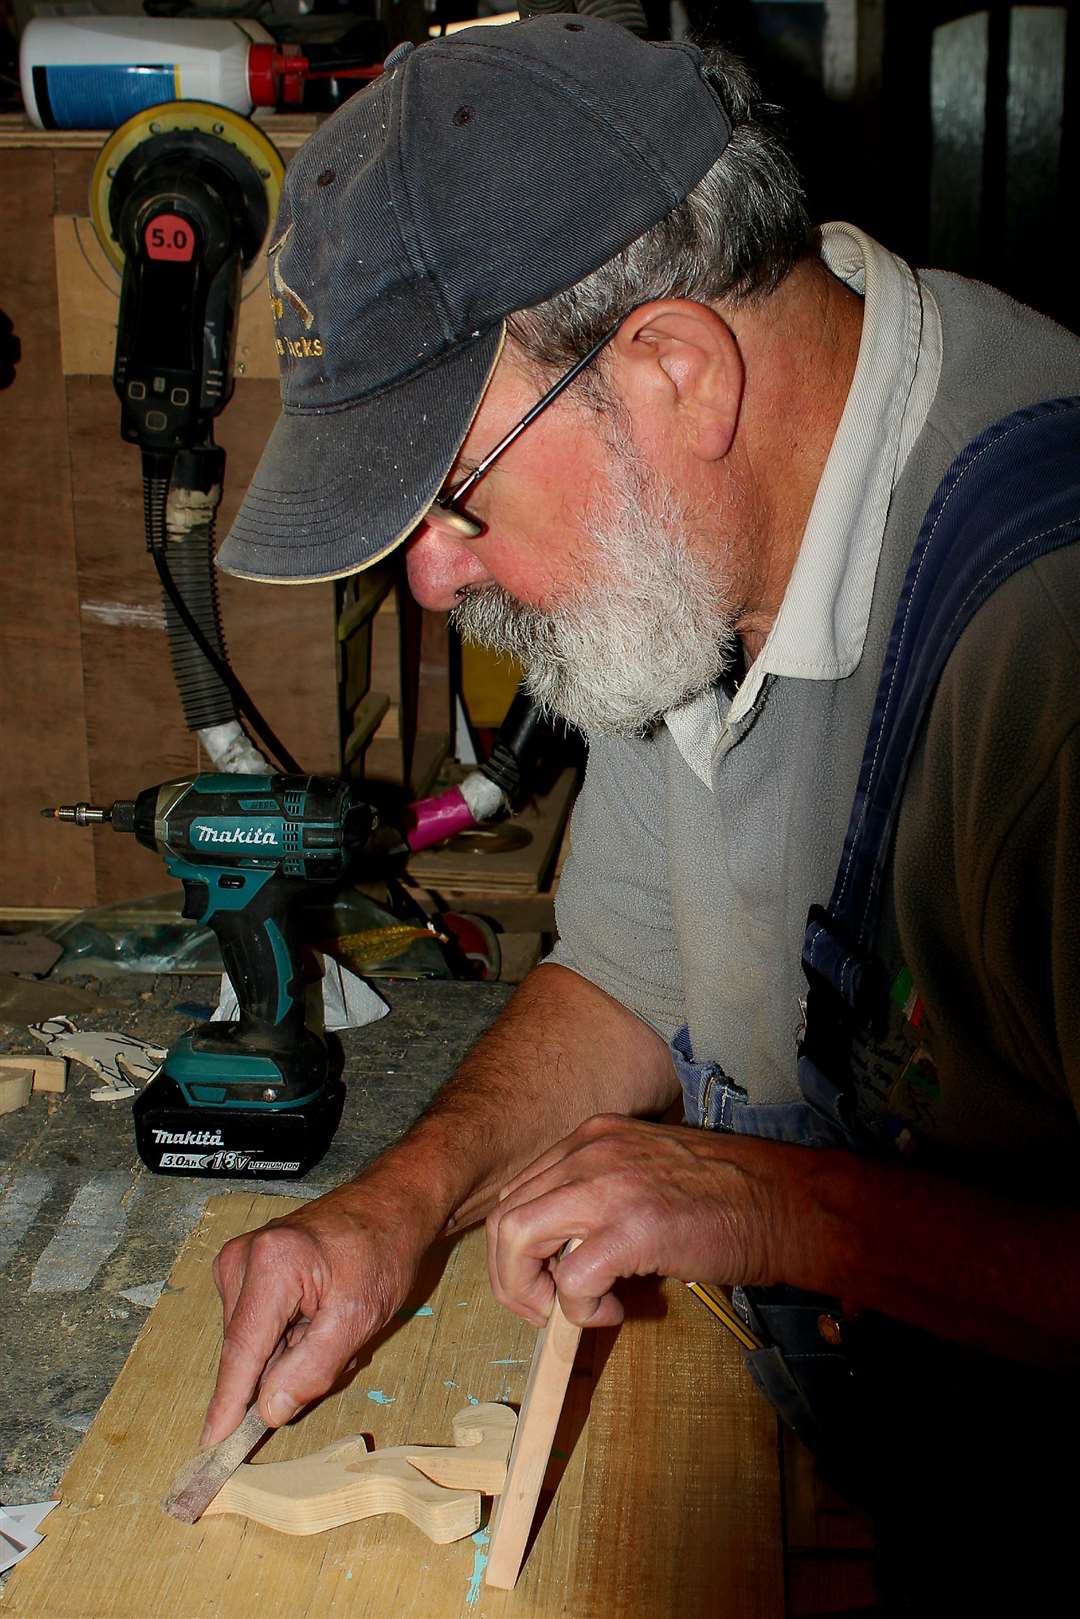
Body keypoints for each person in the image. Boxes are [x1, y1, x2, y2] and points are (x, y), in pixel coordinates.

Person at [212, 16, 1080, 1610]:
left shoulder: (1048, 650)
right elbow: (626, 972)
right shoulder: (688, 545)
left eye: (455, 496)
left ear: (672, 369)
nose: (431, 573)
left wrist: (779, 1206)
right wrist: (395, 1214)